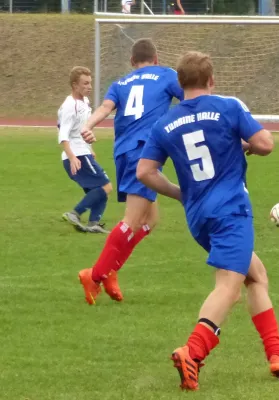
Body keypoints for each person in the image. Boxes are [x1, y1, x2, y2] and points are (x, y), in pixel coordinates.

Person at [136, 50, 279, 391]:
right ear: (212, 81)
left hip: (198, 216)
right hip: (230, 210)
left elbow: (145, 172)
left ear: (180, 85)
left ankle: (277, 355)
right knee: (229, 285)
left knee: (256, 276)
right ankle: (192, 352)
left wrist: (181, 194)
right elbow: (266, 143)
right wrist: (246, 146)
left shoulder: (164, 123)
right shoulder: (227, 106)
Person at [78, 38, 184, 305]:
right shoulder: (166, 74)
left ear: (131, 62)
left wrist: (89, 125)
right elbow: (189, 98)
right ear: (156, 58)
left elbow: (104, 108)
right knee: (133, 221)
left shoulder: (121, 83)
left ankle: (111, 270)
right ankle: (95, 274)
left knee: (151, 220)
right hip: (145, 152)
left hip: (124, 152)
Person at [58, 66, 112, 234]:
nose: (89, 86)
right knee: (106, 186)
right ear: (75, 85)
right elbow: (63, 135)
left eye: (90, 83)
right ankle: (74, 213)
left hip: (83, 151)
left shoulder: (84, 102)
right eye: (85, 83)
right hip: (77, 154)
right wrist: (73, 157)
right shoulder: (70, 106)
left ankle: (94, 223)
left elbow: (83, 129)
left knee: (97, 190)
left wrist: (90, 148)